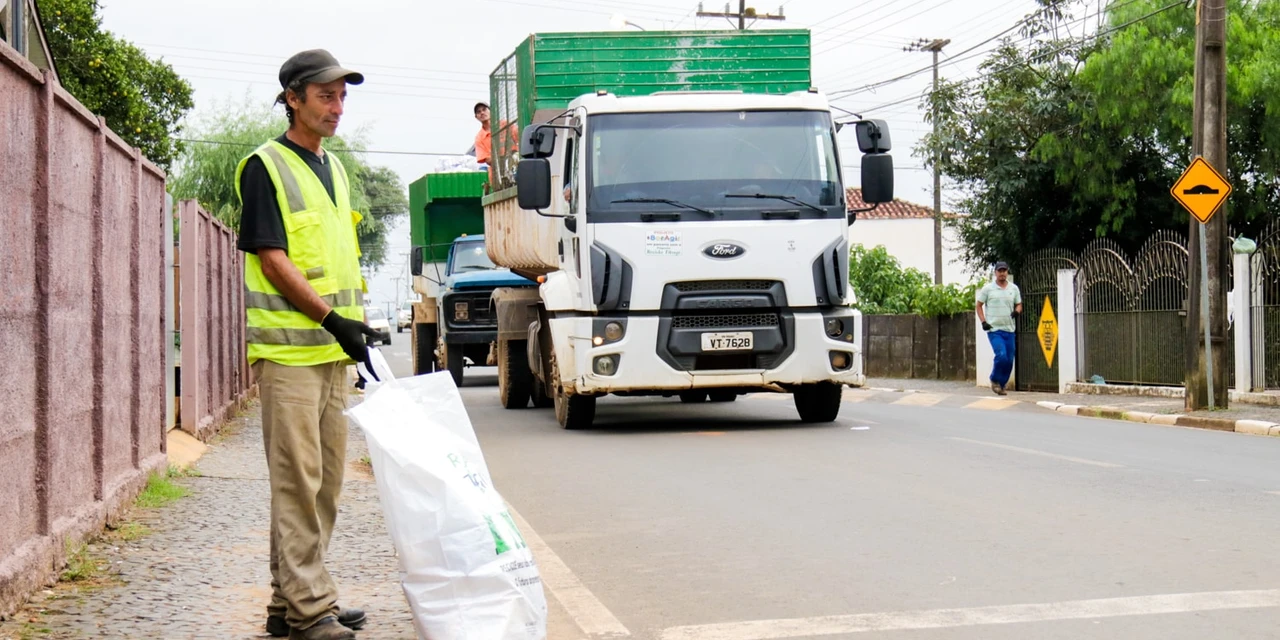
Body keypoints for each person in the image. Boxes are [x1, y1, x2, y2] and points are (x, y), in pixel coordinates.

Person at [235, 49, 384, 640]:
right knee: (298, 484)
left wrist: (355, 328)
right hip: (292, 354)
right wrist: (331, 320)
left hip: (332, 354)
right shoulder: (264, 166)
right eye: (326, 95)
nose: (337, 107)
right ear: (293, 98)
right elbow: (273, 261)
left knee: (324, 483)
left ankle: (289, 600)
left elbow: (334, 260)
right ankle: (311, 610)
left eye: (343, 96)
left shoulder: (335, 169)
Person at [976, 261, 1022, 396]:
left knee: (1009, 359)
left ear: (1007, 272)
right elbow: (979, 305)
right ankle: (994, 379)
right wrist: (983, 321)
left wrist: (1017, 312)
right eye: (999, 271)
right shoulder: (988, 289)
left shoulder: (1014, 289)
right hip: (995, 329)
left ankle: (1002, 384)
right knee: (1001, 355)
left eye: (1004, 271)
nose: (1002, 273)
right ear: (995, 273)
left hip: (1009, 329)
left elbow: (1019, 304)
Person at [473, 101, 492, 167]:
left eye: (484, 109)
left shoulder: (505, 125)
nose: (482, 113)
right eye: (478, 112)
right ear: (476, 117)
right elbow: (488, 160)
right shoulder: (479, 138)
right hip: (498, 173)